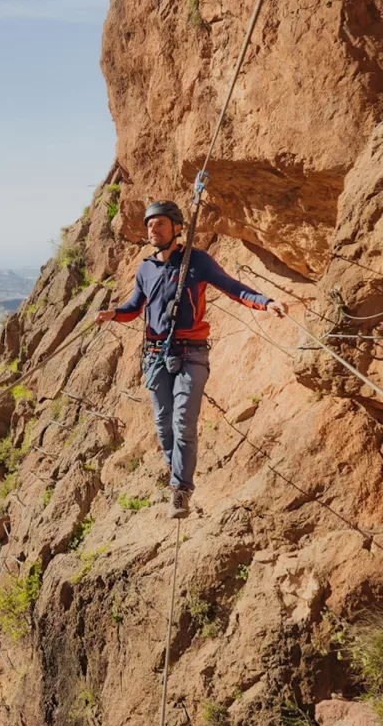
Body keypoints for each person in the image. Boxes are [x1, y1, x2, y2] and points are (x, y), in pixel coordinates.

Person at [96, 200, 287, 519]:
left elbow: (233, 288)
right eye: (149, 225)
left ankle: (181, 489)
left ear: (177, 228)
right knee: (163, 423)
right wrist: (114, 314)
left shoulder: (196, 261)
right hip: (156, 356)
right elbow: (134, 308)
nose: (152, 229)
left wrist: (265, 303)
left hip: (190, 354)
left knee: (183, 422)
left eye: (159, 224)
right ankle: (177, 470)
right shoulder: (145, 268)